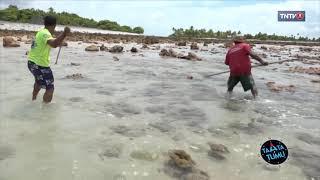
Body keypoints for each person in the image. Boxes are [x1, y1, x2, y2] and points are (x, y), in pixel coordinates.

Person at [27, 15, 71, 103]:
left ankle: (33, 100)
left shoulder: (41, 32)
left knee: (39, 82)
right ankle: (45, 112)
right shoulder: (45, 33)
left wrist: (61, 38)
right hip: (40, 65)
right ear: (54, 25)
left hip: (31, 62)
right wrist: (64, 34)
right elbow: (54, 44)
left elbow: (51, 42)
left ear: (45, 23)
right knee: (50, 88)